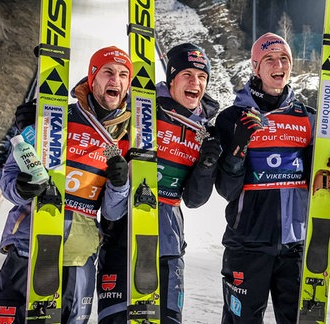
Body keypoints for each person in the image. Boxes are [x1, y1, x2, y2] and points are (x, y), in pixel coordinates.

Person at [0, 46, 133, 324]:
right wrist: (21, 189)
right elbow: (8, 177)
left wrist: (119, 186)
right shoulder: (54, 120)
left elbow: (114, 214)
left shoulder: (126, 139)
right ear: (92, 77)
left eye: (123, 74)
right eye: (108, 72)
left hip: (79, 256)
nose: (116, 80)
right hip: (28, 245)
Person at [214, 32, 330, 324]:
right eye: (270, 59)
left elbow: (320, 176)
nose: (278, 64)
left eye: (284, 58)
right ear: (255, 66)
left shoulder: (309, 118)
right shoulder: (231, 118)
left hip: (296, 247)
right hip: (247, 245)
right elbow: (226, 190)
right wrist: (237, 150)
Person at [96, 43, 221, 323]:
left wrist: (206, 166)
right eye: (187, 74)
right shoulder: (140, 106)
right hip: (123, 233)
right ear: (172, 78)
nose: (195, 82)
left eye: (202, 77)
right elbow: (101, 118)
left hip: (169, 239)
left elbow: (194, 199)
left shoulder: (204, 131)